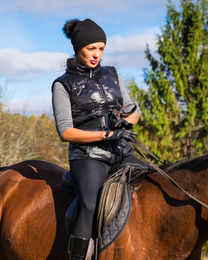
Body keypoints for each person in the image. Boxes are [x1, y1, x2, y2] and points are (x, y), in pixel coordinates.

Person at [52, 18, 149, 260]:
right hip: (88, 157)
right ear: (78, 49)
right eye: (91, 49)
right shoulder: (62, 84)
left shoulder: (113, 74)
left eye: (101, 49)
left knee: (156, 183)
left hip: (122, 151)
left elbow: (132, 111)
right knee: (89, 205)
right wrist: (105, 134)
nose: (97, 54)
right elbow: (65, 132)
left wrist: (128, 120)